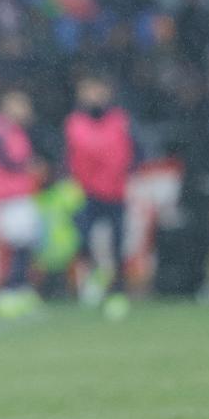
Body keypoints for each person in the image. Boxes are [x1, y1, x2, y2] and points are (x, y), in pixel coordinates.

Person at [64, 74, 135, 315]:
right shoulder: (76, 122)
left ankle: (118, 292)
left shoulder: (118, 119)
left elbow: (120, 154)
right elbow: (92, 150)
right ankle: (95, 276)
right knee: (81, 240)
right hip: (87, 193)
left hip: (114, 192)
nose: (93, 96)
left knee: (118, 245)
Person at [0, 89, 45, 316]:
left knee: (25, 241)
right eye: (21, 104)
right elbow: (9, 159)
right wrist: (31, 165)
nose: (25, 110)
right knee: (15, 243)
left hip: (21, 192)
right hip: (7, 194)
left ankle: (20, 288)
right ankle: (8, 292)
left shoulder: (16, 130)